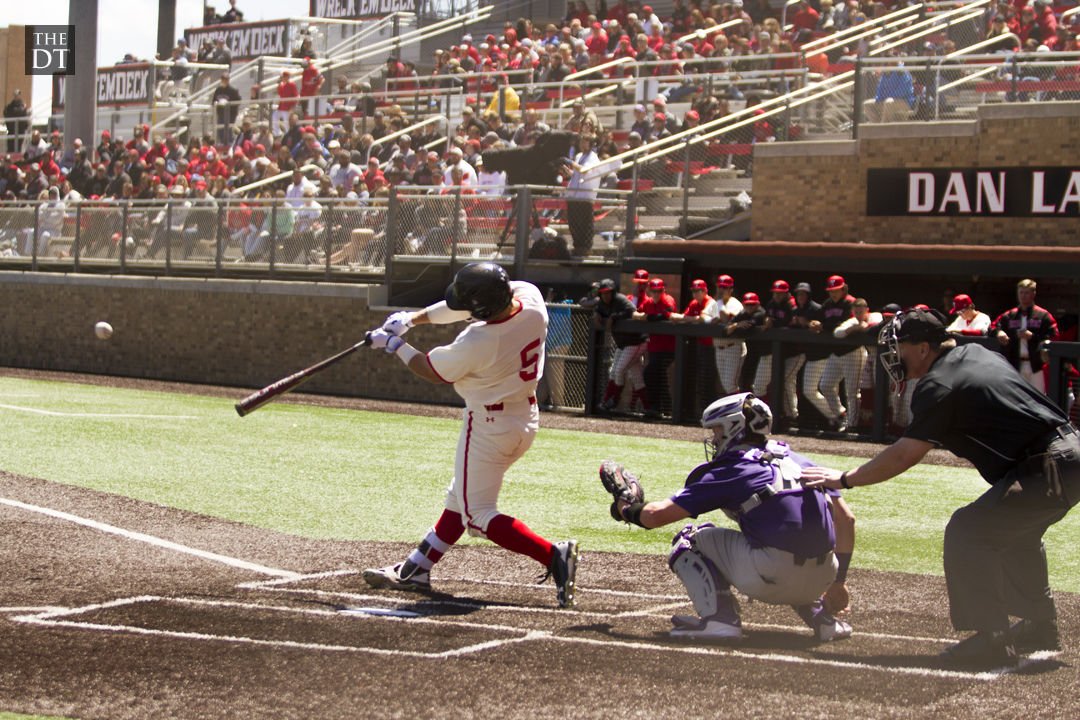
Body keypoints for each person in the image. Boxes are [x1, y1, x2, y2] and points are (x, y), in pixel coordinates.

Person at [803, 308, 1079, 668]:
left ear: (922, 348)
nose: (894, 355)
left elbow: (903, 456)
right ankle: (1040, 626)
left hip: (1048, 464)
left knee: (969, 530)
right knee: (1017, 534)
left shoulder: (938, 385)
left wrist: (844, 479)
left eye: (899, 346)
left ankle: (992, 639)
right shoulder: (978, 352)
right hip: (1067, 454)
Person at [363, 262, 579, 608]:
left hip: (489, 427)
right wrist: (412, 319)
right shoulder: (531, 300)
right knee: (460, 499)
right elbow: (462, 307)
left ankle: (553, 554)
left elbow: (431, 369)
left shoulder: (480, 340)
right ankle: (415, 569)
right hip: (524, 419)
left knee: (477, 514)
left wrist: (393, 344)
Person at [602, 392, 855, 641]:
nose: (714, 439)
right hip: (824, 577)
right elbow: (846, 519)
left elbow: (655, 517)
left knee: (689, 540)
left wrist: (625, 505)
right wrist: (839, 582)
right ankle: (824, 621)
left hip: (772, 575)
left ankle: (720, 621)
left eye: (717, 431)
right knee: (788, 538)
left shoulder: (734, 468)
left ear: (735, 428)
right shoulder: (800, 460)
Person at [752, 280, 803, 429]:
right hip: (777, 352)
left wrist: (774, 323)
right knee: (765, 384)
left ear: (787, 293)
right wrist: (767, 321)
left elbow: (791, 324)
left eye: (781, 293)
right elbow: (767, 319)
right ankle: (770, 415)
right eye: (775, 293)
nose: (777, 296)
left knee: (786, 381)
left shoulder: (792, 305)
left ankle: (792, 416)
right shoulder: (771, 304)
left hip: (794, 352)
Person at [806, 275, 854, 431]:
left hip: (852, 351)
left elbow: (843, 324)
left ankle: (854, 424)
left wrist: (823, 326)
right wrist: (814, 324)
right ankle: (841, 414)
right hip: (835, 352)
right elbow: (818, 321)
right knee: (825, 385)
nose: (833, 293)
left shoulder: (850, 303)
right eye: (831, 290)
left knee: (852, 390)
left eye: (837, 290)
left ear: (843, 289)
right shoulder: (826, 305)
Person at [994, 279, 1059, 393]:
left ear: (1033, 293)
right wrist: (999, 332)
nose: (1023, 296)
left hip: (1036, 365)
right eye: (1021, 292)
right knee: (1015, 395)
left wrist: (1033, 336)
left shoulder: (1043, 315)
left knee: (1038, 396)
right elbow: (994, 326)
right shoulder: (1010, 315)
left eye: (1026, 293)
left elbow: (1053, 335)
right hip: (1014, 363)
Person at [595, 277, 650, 413]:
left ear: (613, 292)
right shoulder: (601, 304)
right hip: (623, 344)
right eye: (603, 293)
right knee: (630, 376)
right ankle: (648, 408)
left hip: (636, 341)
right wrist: (596, 313)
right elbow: (596, 308)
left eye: (608, 293)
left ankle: (613, 400)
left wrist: (614, 316)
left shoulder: (620, 299)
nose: (605, 296)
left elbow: (631, 311)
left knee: (619, 370)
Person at [635, 277, 678, 417]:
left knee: (650, 373)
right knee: (660, 377)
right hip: (654, 347)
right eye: (653, 291)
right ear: (650, 290)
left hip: (668, 348)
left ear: (663, 290)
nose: (656, 294)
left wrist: (648, 317)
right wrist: (641, 316)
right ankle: (664, 408)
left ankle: (655, 406)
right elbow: (637, 312)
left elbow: (667, 314)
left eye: (659, 291)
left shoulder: (668, 300)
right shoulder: (647, 302)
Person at [704, 274, 744, 396]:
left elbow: (726, 318)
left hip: (733, 347)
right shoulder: (714, 303)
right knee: (725, 384)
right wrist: (711, 320)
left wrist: (719, 304)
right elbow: (703, 316)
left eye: (724, 287)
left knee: (730, 384)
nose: (721, 290)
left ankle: (738, 411)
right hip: (719, 347)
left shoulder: (735, 304)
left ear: (731, 290)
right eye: (719, 287)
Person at [212, 74, 242, 145]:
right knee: (220, 131)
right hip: (221, 114)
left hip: (230, 114)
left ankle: (232, 144)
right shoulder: (218, 90)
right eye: (223, 79)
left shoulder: (233, 90)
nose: (225, 81)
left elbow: (238, 101)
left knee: (228, 131)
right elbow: (213, 101)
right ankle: (223, 145)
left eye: (226, 79)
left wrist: (229, 105)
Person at [3, 89, 30, 154]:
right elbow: (5, 112)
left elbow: (21, 112)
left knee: (18, 148)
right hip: (11, 130)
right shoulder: (10, 106)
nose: (16, 96)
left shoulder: (22, 105)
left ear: (20, 95)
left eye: (17, 95)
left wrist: (13, 113)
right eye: (15, 95)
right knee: (10, 147)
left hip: (20, 130)